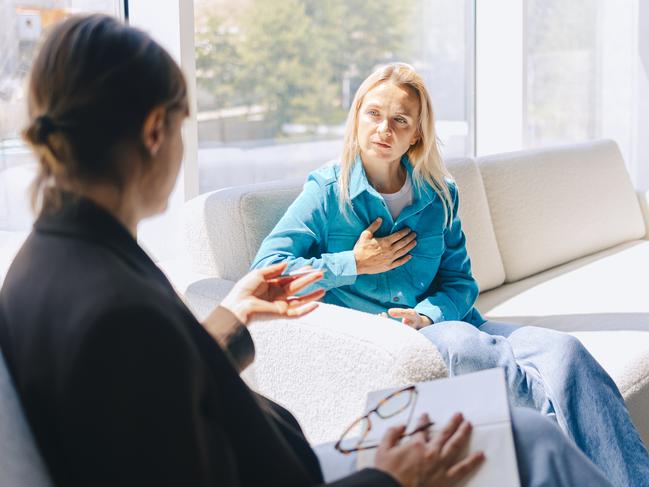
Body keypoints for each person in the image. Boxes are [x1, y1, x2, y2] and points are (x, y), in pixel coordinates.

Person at [0, 15, 614, 487]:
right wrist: (388, 476)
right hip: (310, 471)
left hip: (295, 456)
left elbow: (165, 385)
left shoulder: (62, 264)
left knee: (543, 387)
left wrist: (229, 318)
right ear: (155, 131)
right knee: (528, 440)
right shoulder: (112, 306)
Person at [252, 62, 649, 486]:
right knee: (461, 344)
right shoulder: (328, 193)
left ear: (416, 134)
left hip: (444, 321)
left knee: (565, 351)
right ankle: (557, 445)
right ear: (357, 116)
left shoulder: (438, 194)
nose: (383, 129)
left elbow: (460, 284)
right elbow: (267, 271)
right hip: (388, 338)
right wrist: (353, 263)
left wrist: (427, 315)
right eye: (373, 114)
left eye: (399, 120)